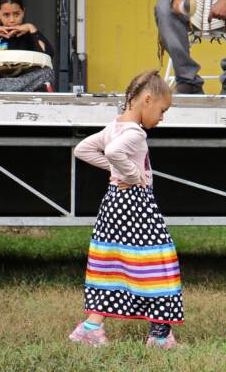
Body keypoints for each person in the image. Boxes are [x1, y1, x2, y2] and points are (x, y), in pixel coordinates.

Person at [68, 70, 183, 349]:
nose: (162, 118)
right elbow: (113, 153)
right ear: (146, 100)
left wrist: (117, 170)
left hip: (113, 203)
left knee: (112, 263)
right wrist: (131, 174)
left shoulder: (114, 126)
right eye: (162, 110)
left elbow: (82, 149)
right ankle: (159, 335)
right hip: (136, 203)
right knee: (158, 264)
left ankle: (91, 328)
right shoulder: (135, 132)